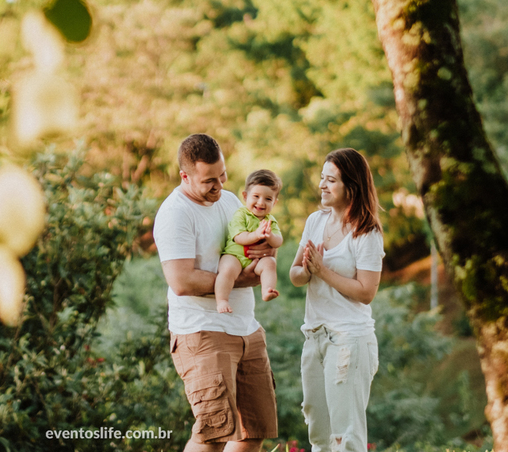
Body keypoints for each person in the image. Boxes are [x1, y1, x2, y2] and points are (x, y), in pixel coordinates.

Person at [153, 133, 279, 451]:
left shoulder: (231, 200)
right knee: (214, 433)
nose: (219, 185)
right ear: (185, 176)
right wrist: (237, 280)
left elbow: (248, 246)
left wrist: (264, 252)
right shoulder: (175, 214)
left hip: (246, 327)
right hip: (202, 331)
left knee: (254, 430)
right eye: (209, 180)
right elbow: (181, 281)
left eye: (222, 174)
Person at [289, 148, 384, 452]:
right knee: (319, 434)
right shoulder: (315, 221)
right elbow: (295, 274)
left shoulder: (366, 233)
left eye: (331, 180)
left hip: (348, 340)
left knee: (345, 437)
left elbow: (367, 292)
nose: (322, 185)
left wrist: (323, 270)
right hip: (314, 337)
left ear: (351, 188)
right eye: (322, 178)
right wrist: (306, 269)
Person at [214, 169, 284, 313]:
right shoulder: (241, 214)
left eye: (268, 199)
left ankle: (267, 290)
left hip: (255, 260)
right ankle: (222, 300)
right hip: (234, 256)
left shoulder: (270, 220)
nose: (261, 202)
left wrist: (270, 236)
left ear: (275, 202)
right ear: (245, 196)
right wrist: (257, 235)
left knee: (270, 263)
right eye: (256, 196)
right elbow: (239, 237)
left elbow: (278, 241)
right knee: (227, 271)